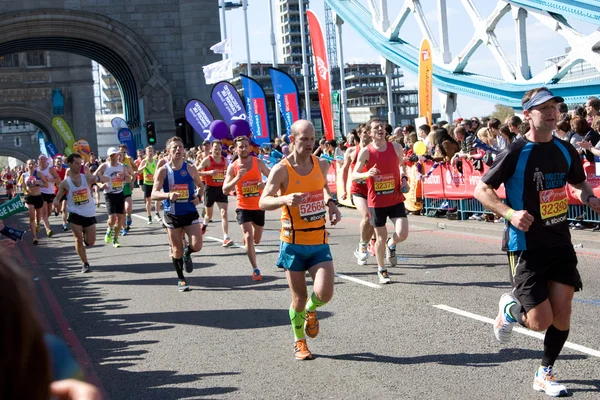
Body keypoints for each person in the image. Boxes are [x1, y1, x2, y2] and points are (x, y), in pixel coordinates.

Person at [474, 87, 600, 397]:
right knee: (540, 321)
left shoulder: (565, 149)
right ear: (528, 114)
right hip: (526, 244)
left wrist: (590, 197)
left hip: (560, 241)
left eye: (554, 107)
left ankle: (545, 373)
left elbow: (578, 181)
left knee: (563, 312)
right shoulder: (516, 151)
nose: (551, 112)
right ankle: (509, 310)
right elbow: (481, 189)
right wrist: (510, 213)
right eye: (542, 108)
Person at [259, 119, 341, 361]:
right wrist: (284, 199)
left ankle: (312, 311)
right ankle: (299, 342)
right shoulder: (281, 170)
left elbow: (324, 186)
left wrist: (331, 203)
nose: (308, 143)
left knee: (324, 293)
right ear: (292, 140)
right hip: (292, 243)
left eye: (312, 138)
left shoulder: (322, 164)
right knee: (298, 297)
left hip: (318, 240)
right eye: (303, 139)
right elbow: (263, 201)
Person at [351, 118, 409, 284]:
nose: (381, 130)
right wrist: (366, 174)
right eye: (377, 128)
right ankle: (382, 270)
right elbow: (354, 175)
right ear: (370, 133)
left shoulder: (396, 147)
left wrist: (404, 179)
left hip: (395, 197)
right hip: (377, 201)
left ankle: (393, 243)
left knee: (403, 233)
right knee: (380, 238)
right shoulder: (366, 152)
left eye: (382, 127)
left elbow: (401, 166)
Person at [152, 137, 203, 292]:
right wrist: (167, 195)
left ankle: (188, 254)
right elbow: (154, 194)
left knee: (197, 245)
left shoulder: (191, 168)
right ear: (168, 151)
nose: (178, 150)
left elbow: (200, 186)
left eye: (180, 147)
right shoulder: (163, 171)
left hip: (189, 212)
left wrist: (198, 197)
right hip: (172, 215)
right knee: (176, 249)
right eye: (174, 148)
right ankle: (181, 279)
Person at [223, 136, 271, 281]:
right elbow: (225, 189)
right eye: (240, 147)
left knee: (256, 240)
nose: (243, 149)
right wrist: (237, 178)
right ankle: (255, 269)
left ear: (249, 147)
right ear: (235, 149)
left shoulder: (258, 162)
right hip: (242, 206)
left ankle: (249, 243)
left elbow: (273, 178)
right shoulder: (233, 167)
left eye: (246, 146)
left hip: (259, 206)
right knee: (248, 236)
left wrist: (265, 185)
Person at [54, 154, 107, 274]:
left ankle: (86, 239)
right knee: (78, 239)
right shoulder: (65, 183)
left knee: (90, 242)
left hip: (88, 213)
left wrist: (103, 179)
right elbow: (58, 197)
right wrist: (56, 202)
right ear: (70, 164)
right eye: (76, 163)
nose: (79, 166)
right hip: (75, 214)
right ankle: (85, 263)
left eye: (80, 163)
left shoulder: (87, 178)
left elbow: (101, 179)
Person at [341, 124, 375, 265]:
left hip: (372, 189)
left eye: (369, 132)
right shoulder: (351, 151)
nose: (368, 134)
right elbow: (344, 170)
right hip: (358, 190)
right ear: (360, 134)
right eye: (365, 132)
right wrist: (343, 189)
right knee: (367, 216)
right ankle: (362, 247)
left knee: (373, 219)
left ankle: (368, 242)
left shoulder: (375, 150)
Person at [94, 147, 130, 248]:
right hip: (109, 194)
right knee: (112, 219)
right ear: (108, 156)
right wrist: (101, 185)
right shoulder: (104, 166)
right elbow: (94, 177)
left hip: (119, 193)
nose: (113, 157)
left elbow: (128, 178)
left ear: (117, 155)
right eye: (111, 155)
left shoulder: (122, 166)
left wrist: (123, 177)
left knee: (121, 218)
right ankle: (109, 229)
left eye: (114, 155)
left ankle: (115, 239)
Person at [197, 140, 232, 245]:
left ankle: (226, 237)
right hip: (210, 189)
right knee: (209, 215)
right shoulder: (207, 160)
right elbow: (195, 171)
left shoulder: (224, 160)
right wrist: (208, 172)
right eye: (215, 149)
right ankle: (204, 224)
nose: (217, 151)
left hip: (221, 189)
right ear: (211, 149)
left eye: (219, 149)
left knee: (224, 213)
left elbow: (229, 173)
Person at [22, 159, 47, 245]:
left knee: (38, 217)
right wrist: (24, 187)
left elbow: (46, 184)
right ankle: (34, 238)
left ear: (34, 165)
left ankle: (38, 224)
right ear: (26, 165)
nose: (31, 165)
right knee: (32, 217)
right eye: (29, 164)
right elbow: (23, 186)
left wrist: (38, 182)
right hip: (29, 197)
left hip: (38, 197)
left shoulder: (38, 174)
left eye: (32, 164)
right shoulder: (24, 175)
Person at [37, 154, 60, 238]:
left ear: (47, 160)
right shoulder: (36, 170)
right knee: (44, 212)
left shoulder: (50, 169)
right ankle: (48, 229)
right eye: (41, 159)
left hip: (50, 192)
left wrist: (49, 179)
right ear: (38, 161)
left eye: (44, 159)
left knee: (49, 212)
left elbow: (58, 179)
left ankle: (40, 220)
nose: (42, 161)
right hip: (40, 192)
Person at [137, 146, 161, 224]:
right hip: (147, 183)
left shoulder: (156, 161)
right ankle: (149, 216)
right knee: (149, 200)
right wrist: (144, 167)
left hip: (154, 183)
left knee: (157, 198)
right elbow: (139, 171)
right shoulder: (144, 161)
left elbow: (160, 171)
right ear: (146, 153)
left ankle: (157, 214)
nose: (150, 153)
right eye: (149, 151)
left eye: (151, 151)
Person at [118, 145, 136, 234]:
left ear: (122, 158)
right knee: (122, 211)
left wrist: (132, 182)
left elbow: (134, 174)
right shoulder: (111, 168)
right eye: (117, 156)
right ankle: (124, 228)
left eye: (120, 156)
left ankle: (129, 216)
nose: (118, 157)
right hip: (117, 191)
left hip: (127, 189)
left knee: (128, 208)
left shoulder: (126, 166)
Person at [53, 157, 69, 231]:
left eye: (60, 161)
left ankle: (64, 224)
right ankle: (56, 211)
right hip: (56, 192)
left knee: (64, 208)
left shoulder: (65, 170)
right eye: (57, 162)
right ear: (55, 163)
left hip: (64, 192)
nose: (59, 163)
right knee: (58, 208)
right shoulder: (53, 171)